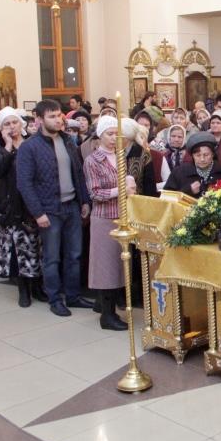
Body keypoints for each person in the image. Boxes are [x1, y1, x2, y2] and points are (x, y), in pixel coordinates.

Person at [16, 99, 93, 317]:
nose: (58, 120)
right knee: (52, 257)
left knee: (74, 254)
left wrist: (84, 201)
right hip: (49, 209)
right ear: (39, 119)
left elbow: (78, 173)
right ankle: (55, 299)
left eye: (59, 115)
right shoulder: (29, 147)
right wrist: (38, 213)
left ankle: (73, 295)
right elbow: (24, 184)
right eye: (52, 116)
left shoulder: (68, 141)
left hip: (72, 206)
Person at [83, 116, 134, 331]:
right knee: (105, 268)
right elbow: (95, 193)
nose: (114, 138)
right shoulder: (93, 160)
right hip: (104, 218)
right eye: (109, 134)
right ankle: (107, 315)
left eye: (117, 134)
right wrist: (120, 189)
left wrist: (130, 184)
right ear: (100, 135)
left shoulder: (120, 156)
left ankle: (106, 305)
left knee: (118, 266)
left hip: (122, 216)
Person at [0, 107, 42, 307]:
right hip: (10, 205)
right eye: (7, 124)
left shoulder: (32, 142)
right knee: (18, 251)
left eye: (14, 122)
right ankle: (23, 290)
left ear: (21, 123)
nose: (12, 127)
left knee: (35, 248)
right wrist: (8, 146)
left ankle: (38, 287)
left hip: (31, 204)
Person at [164, 132, 221, 197]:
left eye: (206, 155)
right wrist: (188, 190)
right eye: (198, 155)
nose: (202, 159)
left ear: (213, 154)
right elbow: (166, 196)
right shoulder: (179, 172)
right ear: (192, 156)